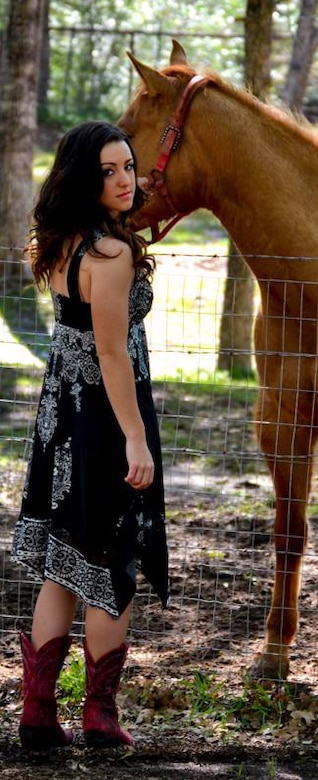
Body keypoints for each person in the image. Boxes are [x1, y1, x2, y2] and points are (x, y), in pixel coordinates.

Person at [11, 121, 169, 750]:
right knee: (110, 562)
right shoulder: (111, 255)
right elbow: (111, 353)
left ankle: (38, 714)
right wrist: (135, 437)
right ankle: (100, 718)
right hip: (105, 420)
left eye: (129, 165)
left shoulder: (62, 241)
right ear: (85, 176)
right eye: (108, 170)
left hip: (61, 417)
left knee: (62, 565)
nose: (125, 179)